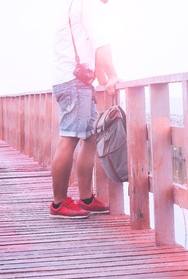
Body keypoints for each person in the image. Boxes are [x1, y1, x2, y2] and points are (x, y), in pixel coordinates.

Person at [50, 0, 120, 218]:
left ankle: (86, 198)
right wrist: (114, 75)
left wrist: (101, 78)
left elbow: (89, 45)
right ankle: (59, 203)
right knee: (69, 138)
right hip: (74, 82)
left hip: (77, 81)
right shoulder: (88, 2)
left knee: (89, 138)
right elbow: (101, 42)